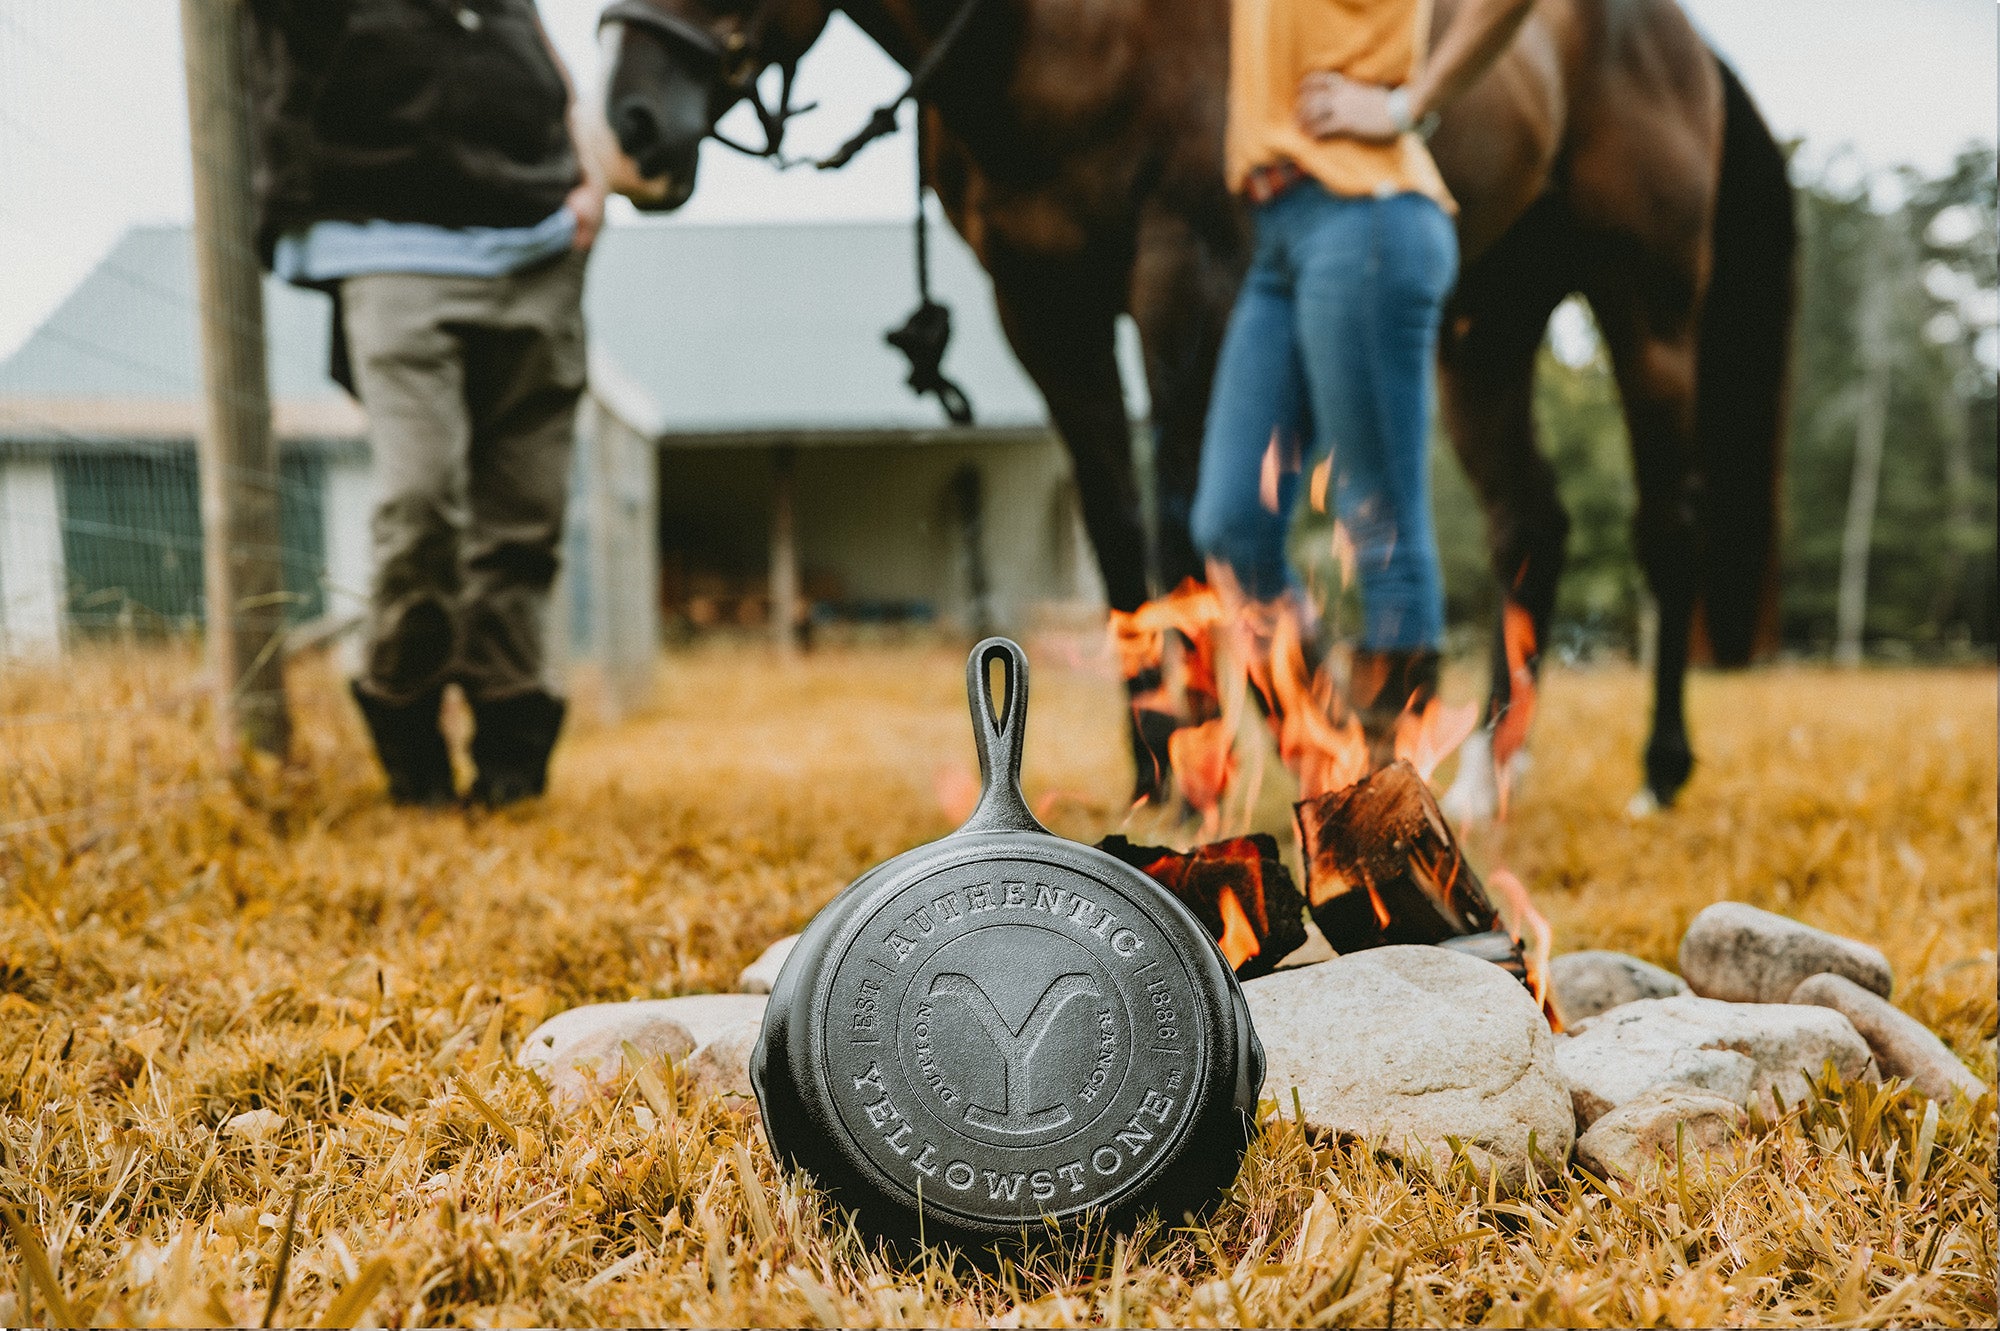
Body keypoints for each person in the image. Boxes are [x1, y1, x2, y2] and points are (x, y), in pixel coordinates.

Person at [243, 0, 607, 806]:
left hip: (538, 249)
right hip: (388, 246)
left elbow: (551, 71)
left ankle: (512, 762)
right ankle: (406, 726)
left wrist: (592, 184)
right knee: (423, 503)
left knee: (524, 520)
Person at [1191, 0, 1535, 747]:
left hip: (1365, 219)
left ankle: (1389, 818)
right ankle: (1336, 761)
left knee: (1378, 522)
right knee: (1230, 525)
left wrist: (1407, 104)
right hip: (1277, 230)